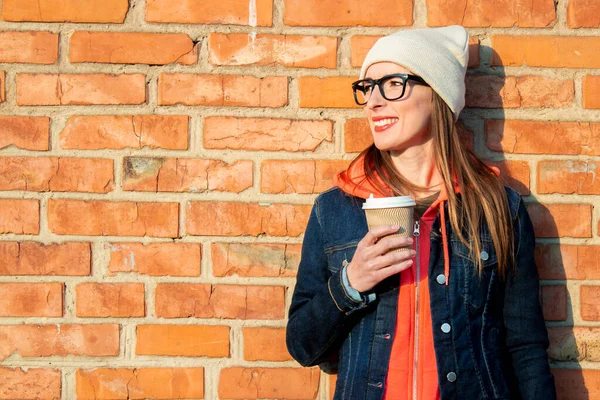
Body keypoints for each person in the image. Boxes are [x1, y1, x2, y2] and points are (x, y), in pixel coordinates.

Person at [286, 25, 556, 400]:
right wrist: (351, 283)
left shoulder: (498, 210)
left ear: (437, 94)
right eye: (367, 87)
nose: (373, 102)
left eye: (392, 84)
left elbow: (525, 347)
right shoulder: (335, 210)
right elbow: (302, 346)